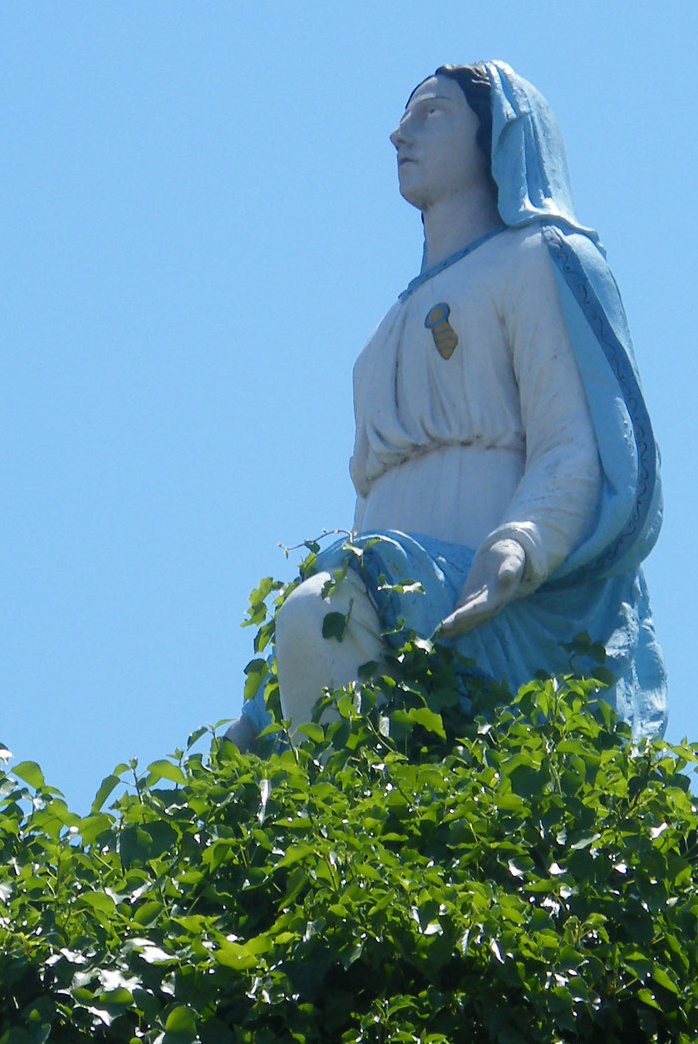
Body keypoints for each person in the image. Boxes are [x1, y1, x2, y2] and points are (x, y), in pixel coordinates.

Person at [234, 62, 665, 744]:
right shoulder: (386, 329)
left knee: (317, 614)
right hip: (379, 585)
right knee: (268, 717)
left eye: (431, 114)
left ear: (493, 136)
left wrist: (519, 544)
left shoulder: (536, 257)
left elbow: (576, 442)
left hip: (492, 599)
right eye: (406, 116)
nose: (399, 134)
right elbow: (369, 501)